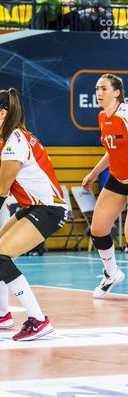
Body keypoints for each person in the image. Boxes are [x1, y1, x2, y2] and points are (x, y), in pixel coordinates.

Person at [0, 88, 68, 341]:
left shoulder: (15, 142)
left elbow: (1, 192)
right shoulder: (7, 140)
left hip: (49, 210)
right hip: (34, 207)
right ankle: (1, 314)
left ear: (3, 113)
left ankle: (39, 320)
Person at [82, 73, 127, 298]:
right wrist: (94, 173)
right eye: (97, 89)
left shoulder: (125, 115)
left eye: (104, 88)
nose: (99, 93)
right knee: (98, 229)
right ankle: (111, 274)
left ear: (117, 92)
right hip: (118, 179)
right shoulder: (102, 117)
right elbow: (112, 151)